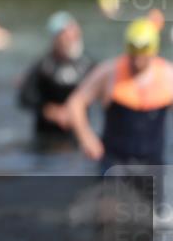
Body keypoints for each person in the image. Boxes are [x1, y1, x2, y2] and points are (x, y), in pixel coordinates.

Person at [67, 18, 173, 176]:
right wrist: (86, 137)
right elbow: (76, 103)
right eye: (133, 48)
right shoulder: (109, 72)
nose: (137, 57)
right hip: (114, 163)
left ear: (154, 49)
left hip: (153, 165)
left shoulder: (168, 76)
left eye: (143, 49)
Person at [17, 11, 95, 147]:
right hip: (48, 135)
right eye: (65, 35)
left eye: (74, 35)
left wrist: (74, 111)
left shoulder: (88, 64)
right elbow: (25, 98)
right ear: (56, 38)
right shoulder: (44, 65)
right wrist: (50, 111)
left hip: (77, 133)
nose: (71, 39)